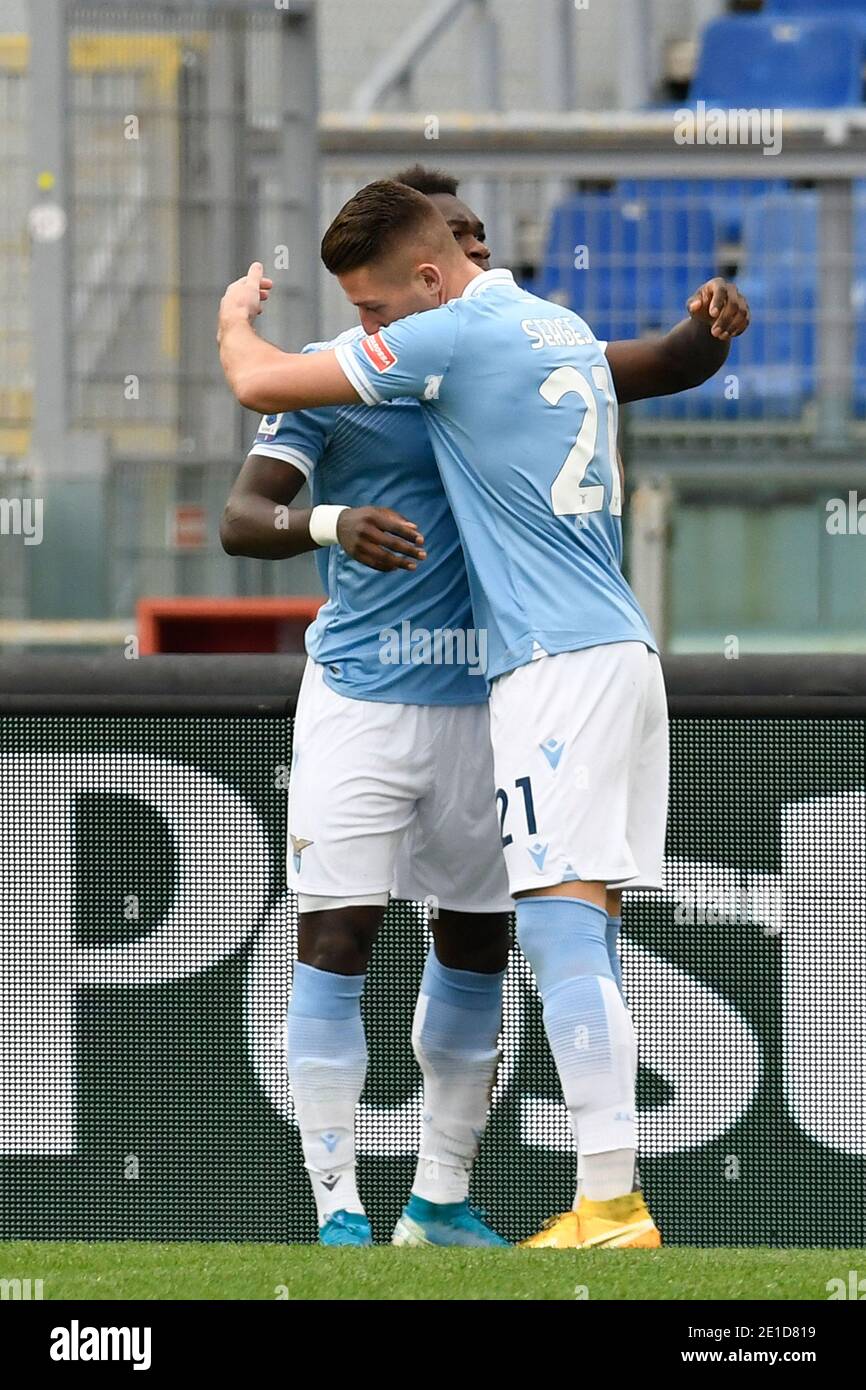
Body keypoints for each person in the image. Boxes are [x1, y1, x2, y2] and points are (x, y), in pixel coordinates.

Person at [217, 178, 749, 1248]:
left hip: (513, 687)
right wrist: (328, 521)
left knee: (506, 938)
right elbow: (243, 513)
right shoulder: (500, 342)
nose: (376, 317)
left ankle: (472, 1201)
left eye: (468, 236)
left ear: (453, 263)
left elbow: (249, 371)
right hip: (398, 690)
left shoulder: (468, 343)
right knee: (349, 934)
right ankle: (341, 1219)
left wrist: (234, 317)